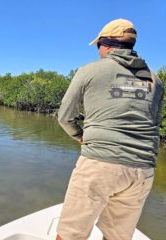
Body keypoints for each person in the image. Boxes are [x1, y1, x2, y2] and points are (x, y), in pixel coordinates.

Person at [55, 19, 164, 240]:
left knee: (70, 235)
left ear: (105, 45)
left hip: (100, 164)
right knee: (118, 237)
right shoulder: (156, 80)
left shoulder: (89, 71)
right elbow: (154, 122)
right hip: (142, 170)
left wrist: (80, 136)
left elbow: (65, 117)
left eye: (98, 47)